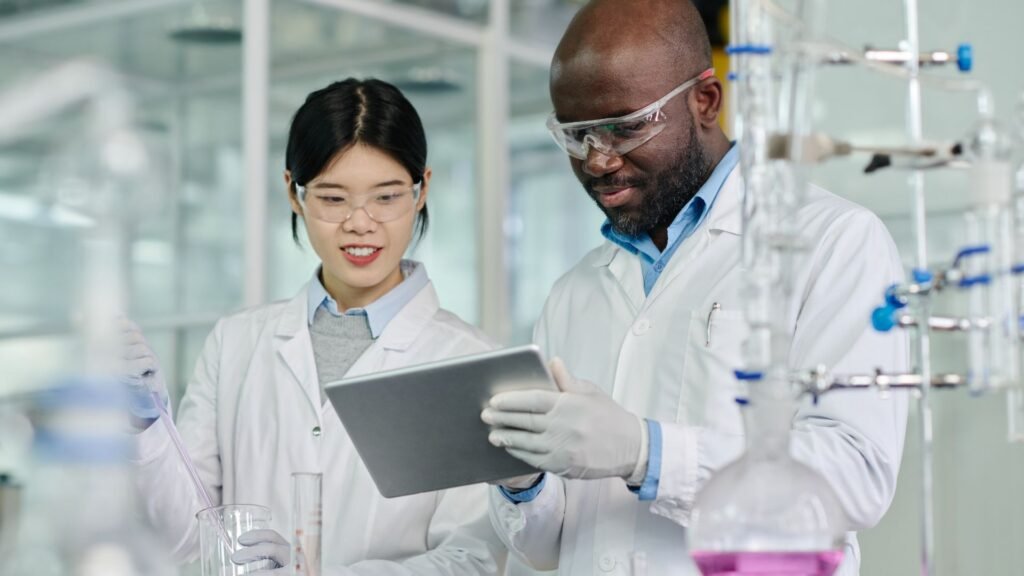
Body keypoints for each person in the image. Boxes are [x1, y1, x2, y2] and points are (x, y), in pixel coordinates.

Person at [479, 1, 908, 575]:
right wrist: (522, 481)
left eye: (626, 127)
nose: (599, 160)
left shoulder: (832, 242)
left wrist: (646, 452)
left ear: (705, 101)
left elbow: (856, 477)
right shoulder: (573, 291)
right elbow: (546, 548)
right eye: (576, 136)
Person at [127, 78, 503, 575]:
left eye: (386, 197)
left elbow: (474, 558)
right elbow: (186, 539)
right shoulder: (237, 342)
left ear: (422, 190)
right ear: (294, 193)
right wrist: (147, 425)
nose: (360, 223)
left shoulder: (470, 361)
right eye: (333, 199)